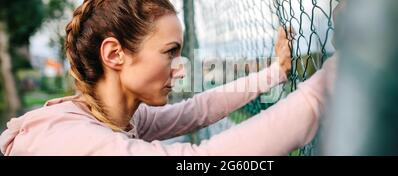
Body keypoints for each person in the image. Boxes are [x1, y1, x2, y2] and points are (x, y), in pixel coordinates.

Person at [0, 0, 336, 156]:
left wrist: (276, 73)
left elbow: (197, 111)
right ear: (114, 54)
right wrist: (331, 82)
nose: (180, 66)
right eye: (170, 51)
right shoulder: (69, 139)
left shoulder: (121, 117)